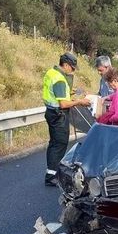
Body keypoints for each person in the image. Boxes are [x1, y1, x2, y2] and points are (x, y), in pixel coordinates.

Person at [42, 52, 91, 186]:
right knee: (60, 144)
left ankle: (51, 172)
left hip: (51, 112)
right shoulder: (59, 79)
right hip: (59, 115)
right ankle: (52, 176)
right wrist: (79, 102)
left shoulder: (52, 73)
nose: (73, 70)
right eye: (72, 67)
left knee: (54, 143)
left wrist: (72, 93)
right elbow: (63, 104)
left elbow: (58, 94)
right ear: (66, 65)